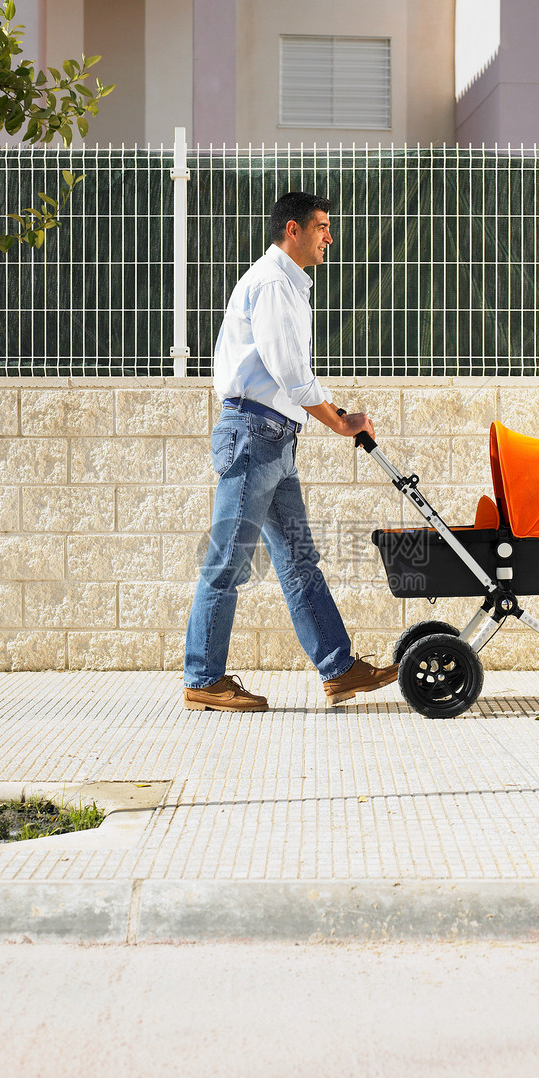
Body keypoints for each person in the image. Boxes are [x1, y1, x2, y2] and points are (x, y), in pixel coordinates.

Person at [183, 191, 399, 713]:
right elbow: (292, 374)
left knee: (300, 560)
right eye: (322, 226)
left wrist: (324, 415)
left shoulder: (289, 286)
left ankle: (339, 670)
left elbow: (296, 375)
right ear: (293, 231)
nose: (330, 236)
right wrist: (340, 422)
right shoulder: (274, 283)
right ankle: (204, 678)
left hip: (275, 440)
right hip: (255, 437)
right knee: (228, 561)